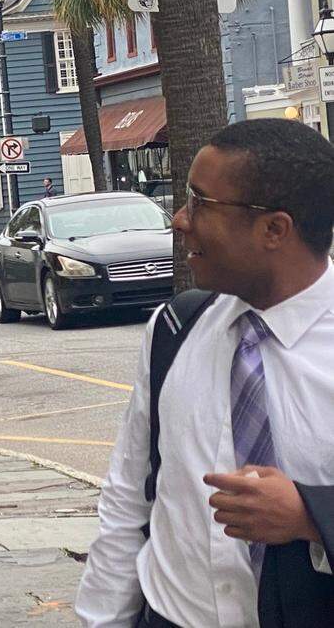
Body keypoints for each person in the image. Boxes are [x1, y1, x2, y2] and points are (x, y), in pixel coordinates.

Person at [76, 119, 334, 627]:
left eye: (200, 204)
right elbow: (130, 497)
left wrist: (310, 517)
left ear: (274, 230)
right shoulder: (176, 329)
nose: (179, 220)